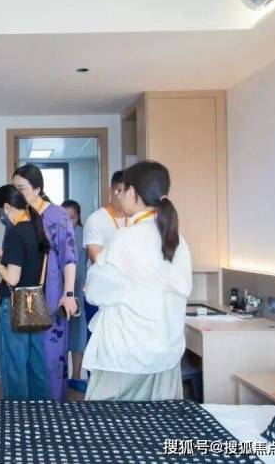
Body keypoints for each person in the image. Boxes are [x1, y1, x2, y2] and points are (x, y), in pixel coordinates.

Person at [83, 160, 192, 401]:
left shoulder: (126, 239)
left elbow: (95, 291)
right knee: (159, 421)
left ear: (132, 192)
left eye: (122, 191)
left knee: (108, 422)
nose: (120, 196)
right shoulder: (177, 240)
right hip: (166, 352)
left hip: (127, 354)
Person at [11, 164, 78, 402]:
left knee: (50, 355)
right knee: (26, 355)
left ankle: (52, 410)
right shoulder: (18, 215)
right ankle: (28, 413)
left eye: (22, 188)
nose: (17, 193)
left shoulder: (58, 215)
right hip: (24, 295)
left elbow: (69, 257)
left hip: (51, 294)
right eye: (15, 188)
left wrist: (68, 293)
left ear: (37, 188)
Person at [0, 184, 50, 400]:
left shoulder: (15, 233)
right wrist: (5, 255)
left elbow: (12, 278)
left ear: (6, 207)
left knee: (14, 364)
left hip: (15, 302)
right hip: (35, 301)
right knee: (36, 363)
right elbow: (29, 263)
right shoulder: (35, 228)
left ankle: (16, 414)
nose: (0, 217)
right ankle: (42, 411)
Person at [81, 171, 127, 333]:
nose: (124, 197)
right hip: (100, 294)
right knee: (97, 340)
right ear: (110, 192)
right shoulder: (96, 219)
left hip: (125, 296)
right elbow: (97, 258)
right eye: (120, 191)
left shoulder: (136, 220)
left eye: (128, 192)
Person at [61, 199, 88, 393]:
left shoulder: (84, 233)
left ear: (78, 217)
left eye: (73, 217)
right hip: (59, 290)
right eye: (66, 217)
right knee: (59, 332)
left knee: (78, 332)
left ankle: (77, 376)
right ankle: (60, 377)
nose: (69, 221)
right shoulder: (56, 232)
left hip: (79, 289)